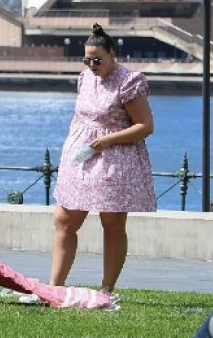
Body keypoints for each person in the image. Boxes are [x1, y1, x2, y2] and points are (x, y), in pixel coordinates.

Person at [45, 23, 155, 296]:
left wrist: (108, 139)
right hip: (82, 156)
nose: (92, 65)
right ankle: (54, 287)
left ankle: (107, 289)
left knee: (113, 223)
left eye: (97, 60)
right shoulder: (85, 78)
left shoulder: (129, 81)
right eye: (87, 59)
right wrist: (71, 148)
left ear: (112, 54)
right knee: (65, 218)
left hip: (114, 159)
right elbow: (80, 116)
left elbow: (145, 125)